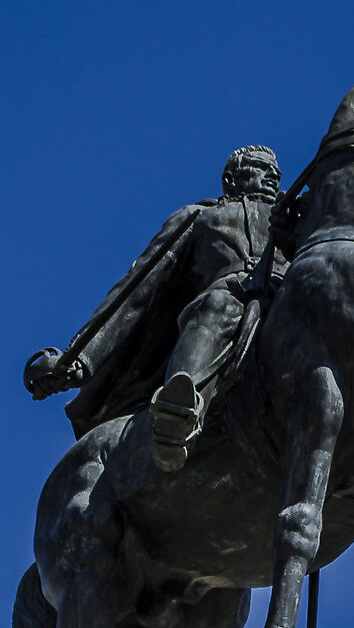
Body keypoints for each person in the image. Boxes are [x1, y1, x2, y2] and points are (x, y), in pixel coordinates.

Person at [24, 146, 281, 471]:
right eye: (261, 167)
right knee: (215, 304)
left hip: (288, 298)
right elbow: (136, 291)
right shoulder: (201, 218)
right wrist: (78, 359)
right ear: (231, 179)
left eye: (276, 171)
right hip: (228, 308)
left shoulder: (296, 218)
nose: (273, 175)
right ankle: (180, 414)